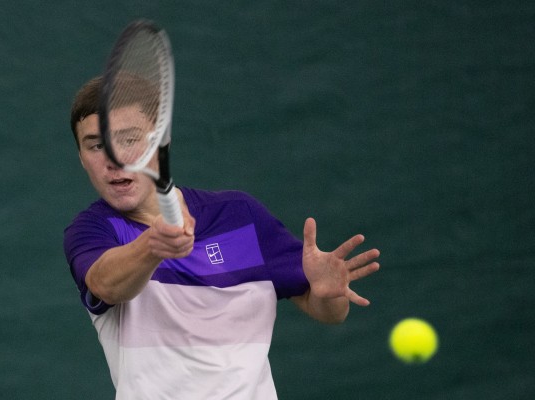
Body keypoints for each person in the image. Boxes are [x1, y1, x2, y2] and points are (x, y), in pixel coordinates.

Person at [64, 76, 380, 400]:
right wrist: (152, 245)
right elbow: (105, 284)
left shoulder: (240, 217)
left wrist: (328, 294)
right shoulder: (92, 231)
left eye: (128, 140)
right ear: (82, 157)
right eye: (96, 146)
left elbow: (331, 313)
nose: (113, 160)